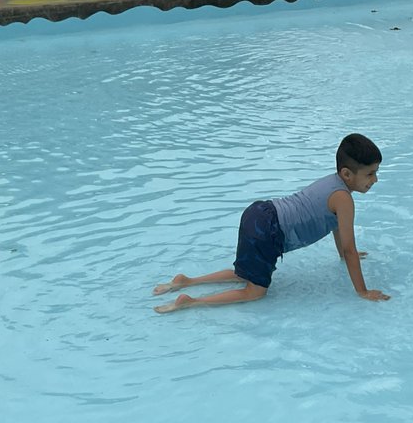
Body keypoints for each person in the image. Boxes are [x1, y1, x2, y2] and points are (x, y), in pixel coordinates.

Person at [153, 134, 390, 313]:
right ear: (348, 174)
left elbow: (338, 228)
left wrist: (344, 255)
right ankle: (192, 302)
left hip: (259, 213)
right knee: (255, 291)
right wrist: (363, 291)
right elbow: (350, 249)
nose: (375, 180)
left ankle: (186, 281)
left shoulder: (332, 184)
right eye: (370, 174)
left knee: (244, 273)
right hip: (269, 231)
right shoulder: (344, 199)